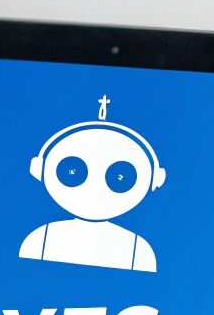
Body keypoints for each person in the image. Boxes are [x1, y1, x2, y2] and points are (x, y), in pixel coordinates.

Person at [19, 96, 164, 273]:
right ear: (39, 169)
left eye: (120, 176)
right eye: (73, 170)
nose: (95, 187)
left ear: (154, 180)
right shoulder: (41, 239)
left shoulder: (138, 251)